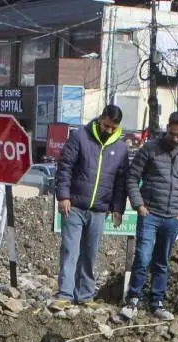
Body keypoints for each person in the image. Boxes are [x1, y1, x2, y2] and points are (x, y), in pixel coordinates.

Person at [119, 111, 178, 323]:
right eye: (173, 134)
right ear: (167, 127)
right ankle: (133, 300)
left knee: (161, 261)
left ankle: (157, 302)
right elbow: (132, 177)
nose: (176, 139)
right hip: (150, 214)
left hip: (172, 218)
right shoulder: (150, 149)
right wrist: (139, 205)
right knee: (143, 257)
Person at [51, 105, 129, 311]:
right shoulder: (80, 137)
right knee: (70, 250)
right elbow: (65, 167)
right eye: (106, 125)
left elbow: (120, 181)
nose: (109, 130)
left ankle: (85, 295)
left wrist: (117, 208)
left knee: (91, 252)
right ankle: (66, 294)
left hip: (99, 209)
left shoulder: (120, 148)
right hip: (74, 205)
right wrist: (63, 196)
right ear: (100, 118)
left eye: (113, 128)